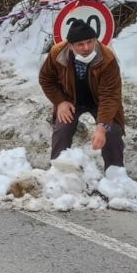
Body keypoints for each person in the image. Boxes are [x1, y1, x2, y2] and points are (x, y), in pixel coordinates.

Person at [38, 18, 126, 170]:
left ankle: (115, 173)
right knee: (62, 128)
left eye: (90, 42)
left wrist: (101, 127)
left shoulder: (107, 58)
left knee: (111, 131)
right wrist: (60, 102)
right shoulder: (58, 53)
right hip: (71, 99)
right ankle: (58, 170)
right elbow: (46, 79)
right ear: (70, 46)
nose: (87, 47)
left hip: (100, 101)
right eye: (80, 44)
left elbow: (110, 95)